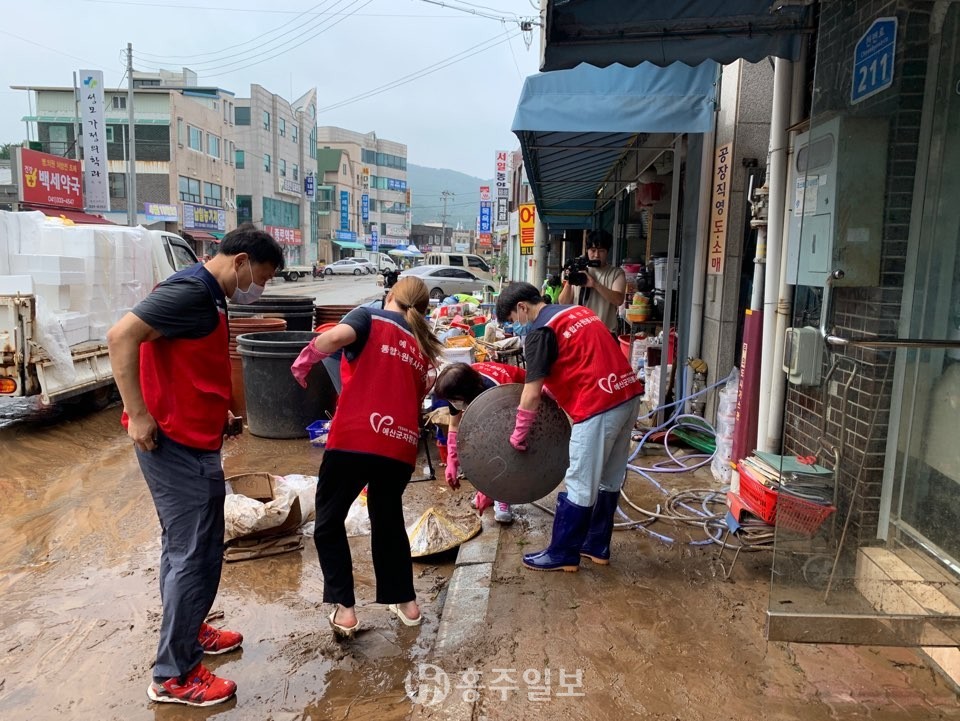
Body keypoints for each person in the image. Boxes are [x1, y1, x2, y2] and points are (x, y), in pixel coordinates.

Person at [106, 224, 283, 707]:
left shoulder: (210, 295)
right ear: (241, 261)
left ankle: (189, 629)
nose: (259, 288)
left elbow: (188, 360)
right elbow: (121, 337)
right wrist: (138, 414)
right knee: (195, 554)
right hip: (174, 442)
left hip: (193, 434)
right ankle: (175, 675)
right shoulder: (190, 291)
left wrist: (218, 408)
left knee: (185, 547)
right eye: (261, 277)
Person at [291, 276, 444, 637]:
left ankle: (345, 610)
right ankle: (407, 604)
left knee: (329, 520)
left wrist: (306, 358)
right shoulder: (422, 342)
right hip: (399, 446)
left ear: (390, 296)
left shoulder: (368, 317)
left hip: (355, 438)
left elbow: (334, 339)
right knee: (387, 520)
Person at [496, 282, 642, 572]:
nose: (515, 327)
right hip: (627, 395)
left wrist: (518, 435)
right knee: (609, 479)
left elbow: (531, 394)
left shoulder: (540, 332)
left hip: (599, 405)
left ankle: (563, 553)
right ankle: (596, 545)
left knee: (580, 482)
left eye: (513, 320)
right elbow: (581, 359)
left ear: (522, 307)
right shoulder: (578, 312)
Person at [433, 361, 527, 523]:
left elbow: (501, 444)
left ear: (467, 394)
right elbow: (455, 425)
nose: (453, 403)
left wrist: (489, 489)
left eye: (454, 399)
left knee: (509, 444)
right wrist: (452, 461)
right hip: (486, 398)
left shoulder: (495, 393)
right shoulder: (457, 389)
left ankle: (502, 497)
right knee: (479, 439)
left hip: (522, 396)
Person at [558, 229, 626, 333]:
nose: (596, 255)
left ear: (607, 251)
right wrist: (569, 280)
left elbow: (618, 300)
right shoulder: (579, 269)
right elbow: (563, 302)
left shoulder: (616, 273)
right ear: (587, 250)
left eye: (601, 250)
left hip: (604, 332)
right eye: (593, 250)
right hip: (580, 332)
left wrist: (594, 284)